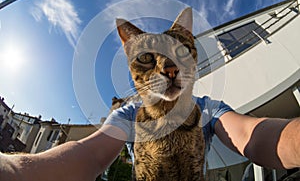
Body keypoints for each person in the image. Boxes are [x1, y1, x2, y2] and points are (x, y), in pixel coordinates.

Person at [0, 95, 300, 181]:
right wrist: (16, 172)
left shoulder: (205, 108)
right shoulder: (130, 114)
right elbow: (89, 154)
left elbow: (251, 134)